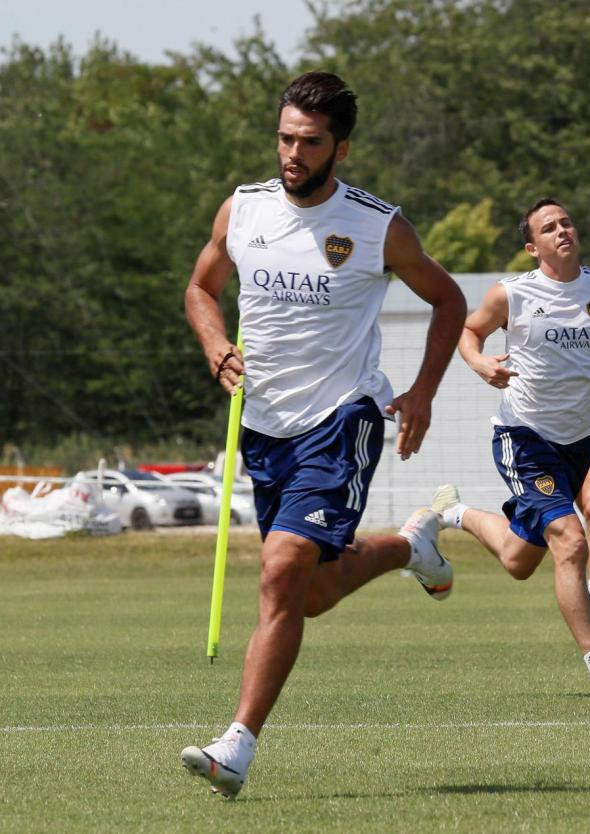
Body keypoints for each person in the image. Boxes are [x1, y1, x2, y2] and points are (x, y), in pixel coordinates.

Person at [180, 71, 467, 798]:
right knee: (309, 591)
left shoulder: (377, 226)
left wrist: (425, 391)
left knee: (280, 573)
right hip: (265, 427)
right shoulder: (241, 211)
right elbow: (200, 288)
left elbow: (448, 298)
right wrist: (215, 342)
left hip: (343, 418)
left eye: (309, 143)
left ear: (341, 148)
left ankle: (236, 747)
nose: (291, 154)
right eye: (284, 138)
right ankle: (410, 546)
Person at [431, 198, 590, 698]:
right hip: (526, 438)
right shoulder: (511, 294)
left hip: (585, 437)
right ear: (533, 248)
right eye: (549, 227)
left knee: (518, 560)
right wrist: (479, 362)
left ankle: (451, 513)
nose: (563, 230)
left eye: (567, 222)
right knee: (572, 540)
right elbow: (467, 332)